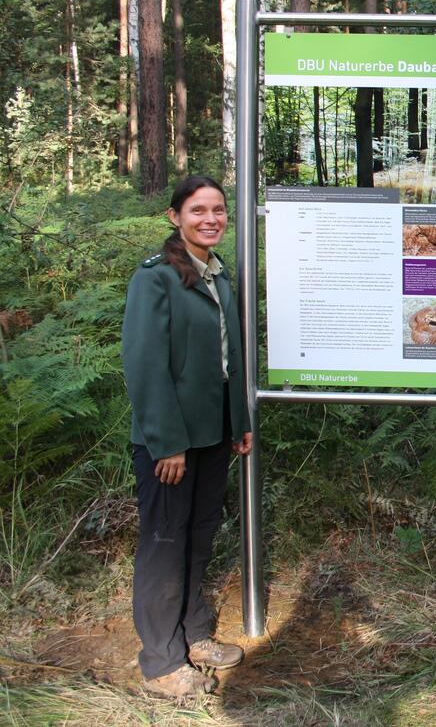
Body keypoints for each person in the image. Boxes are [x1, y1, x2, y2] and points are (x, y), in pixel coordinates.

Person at [122, 176, 253, 698]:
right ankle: (160, 662)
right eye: (198, 210)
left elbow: (229, 359)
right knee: (164, 543)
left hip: (214, 432)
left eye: (219, 210)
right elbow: (145, 365)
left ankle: (194, 632)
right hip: (171, 441)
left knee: (198, 535)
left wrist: (238, 421)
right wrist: (167, 442)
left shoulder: (219, 276)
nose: (211, 219)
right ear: (175, 217)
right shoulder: (154, 279)